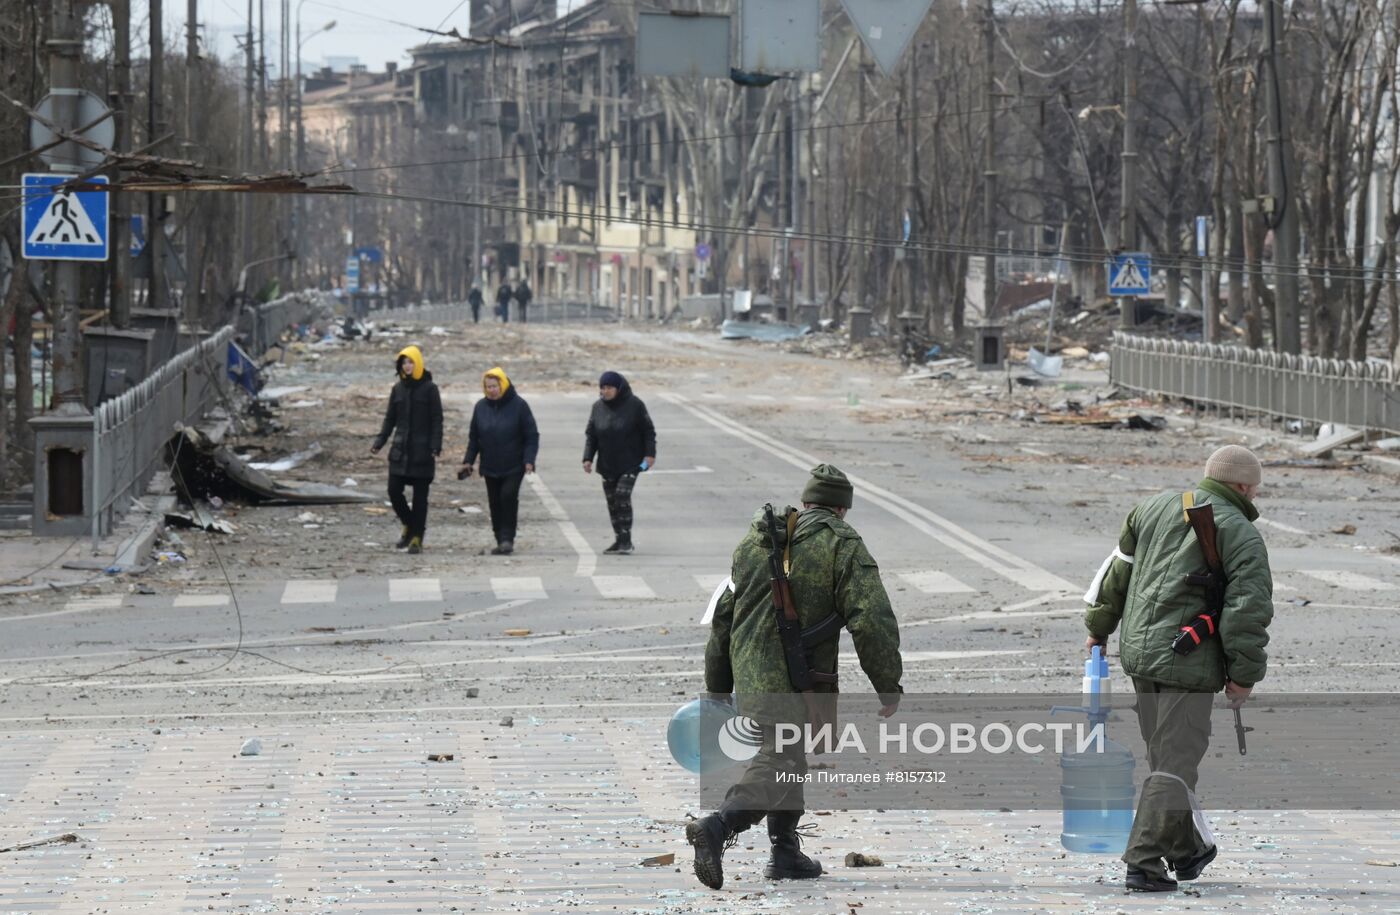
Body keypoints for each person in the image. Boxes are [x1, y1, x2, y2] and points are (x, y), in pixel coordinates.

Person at [688, 464, 903, 891]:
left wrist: (717, 686)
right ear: (842, 508)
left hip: (751, 675)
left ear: (806, 503)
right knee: (779, 760)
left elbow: (723, 618)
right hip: (799, 678)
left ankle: (785, 851)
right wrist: (887, 683)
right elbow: (871, 617)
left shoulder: (756, 540)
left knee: (788, 758)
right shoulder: (841, 543)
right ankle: (717, 827)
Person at [1083, 444, 1273, 893]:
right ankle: (1144, 862)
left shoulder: (1150, 507)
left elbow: (1116, 575)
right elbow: (1248, 612)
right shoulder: (1241, 533)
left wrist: (1098, 628)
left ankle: (1187, 850)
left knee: (1164, 759)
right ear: (1244, 486)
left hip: (1141, 654)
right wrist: (1244, 675)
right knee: (1174, 765)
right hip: (1186, 662)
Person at [370, 345, 443, 555]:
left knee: (420, 499)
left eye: (411, 362)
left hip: (423, 453)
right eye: (404, 362)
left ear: (418, 363)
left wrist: (435, 445)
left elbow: (437, 419)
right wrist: (380, 441)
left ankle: (417, 538)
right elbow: (390, 418)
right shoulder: (398, 389)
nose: (407, 366)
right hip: (400, 451)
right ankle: (409, 525)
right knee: (394, 491)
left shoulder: (430, 389)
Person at [461, 367, 539, 555]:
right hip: (490, 465)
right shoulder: (480, 407)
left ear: (502, 385)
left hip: (514, 464)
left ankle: (507, 538)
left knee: (508, 496)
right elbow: (474, 438)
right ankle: (499, 538)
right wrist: (468, 461)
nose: (491, 390)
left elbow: (531, 435)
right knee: (494, 502)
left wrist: (529, 460)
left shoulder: (519, 405)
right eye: (488, 387)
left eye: (495, 386)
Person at [582, 371, 656, 554]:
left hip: (630, 461)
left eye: (609, 388)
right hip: (607, 463)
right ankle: (619, 539)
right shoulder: (597, 408)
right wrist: (588, 457)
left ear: (619, 388)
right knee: (612, 501)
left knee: (622, 496)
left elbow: (648, 431)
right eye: (603, 388)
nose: (605, 391)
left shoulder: (635, 405)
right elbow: (591, 435)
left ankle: (626, 540)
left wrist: (650, 455)